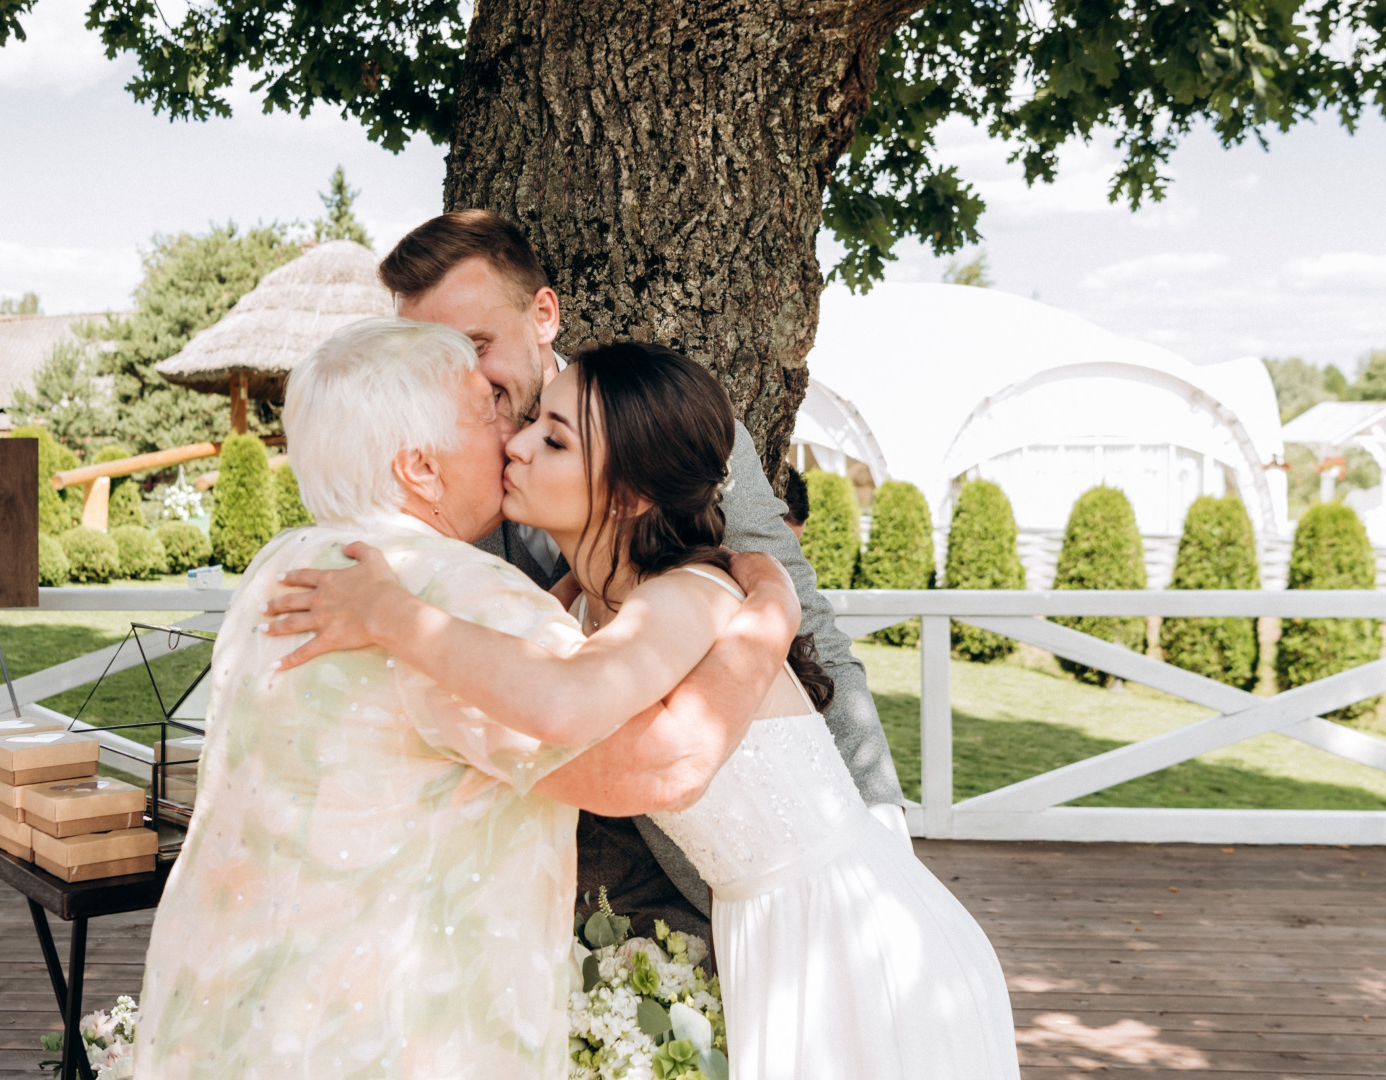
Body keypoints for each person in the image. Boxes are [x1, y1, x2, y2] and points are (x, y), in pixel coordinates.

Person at [276, 343, 1021, 1079]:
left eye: (554, 439)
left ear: (629, 493)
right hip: (767, 931)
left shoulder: (682, 594)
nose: (518, 444)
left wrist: (395, 618)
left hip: (843, 937)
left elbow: (566, 702)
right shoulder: (598, 603)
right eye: (533, 421)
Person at [133, 320, 802, 1079]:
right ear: (419, 467)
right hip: (388, 1032)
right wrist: (772, 611)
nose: (513, 431)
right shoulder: (462, 595)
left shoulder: (281, 564)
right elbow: (658, 767)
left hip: (232, 1009)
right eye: (489, 408)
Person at [265, 210, 907, 944]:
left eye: (478, 345)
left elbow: (799, 619)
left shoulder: (659, 426)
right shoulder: (440, 457)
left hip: (748, 852)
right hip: (559, 864)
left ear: (542, 314)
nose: (470, 379)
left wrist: (876, 817)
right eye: (440, 354)